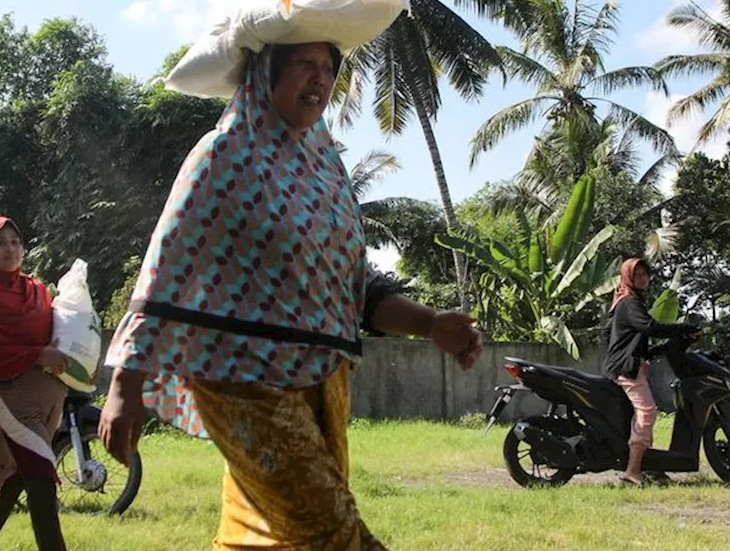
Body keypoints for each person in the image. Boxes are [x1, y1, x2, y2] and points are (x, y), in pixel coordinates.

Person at [98, 42, 483, 550]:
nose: (319, 79)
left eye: (328, 69)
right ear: (267, 75)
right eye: (305, 65)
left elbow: (355, 286)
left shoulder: (325, 174)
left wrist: (430, 322)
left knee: (265, 536)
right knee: (331, 532)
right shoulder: (223, 155)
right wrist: (126, 386)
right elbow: (166, 268)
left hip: (322, 379)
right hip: (240, 375)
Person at [0, 217, 69, 551]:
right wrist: (38, 355)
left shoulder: (36, 290)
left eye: (15, 242)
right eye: (0, 244)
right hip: (7, 400)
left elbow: (58, 335)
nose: (10, 250)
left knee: (13, 480)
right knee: (42, 477)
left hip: (41, 398)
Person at [602, 257, 697, 486]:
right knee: (647, 412)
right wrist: (684, 328)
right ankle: (632, 471)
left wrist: (650, 353)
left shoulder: (626, 301)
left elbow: (620, 337)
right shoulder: (630, 303)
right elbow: (650, 327)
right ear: (628, 278)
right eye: (637, 275)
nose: (642, 278)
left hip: (628, 366)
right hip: (627, 369)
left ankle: (650, 466)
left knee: (641, 416)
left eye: (645, 274)